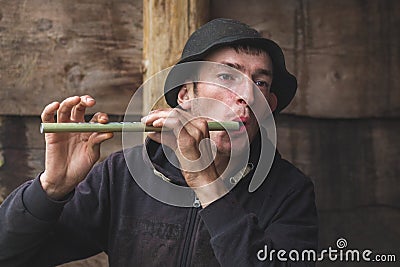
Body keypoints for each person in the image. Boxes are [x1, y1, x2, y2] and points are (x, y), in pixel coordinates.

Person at [0, 18, 318, 266]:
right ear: (184, 95)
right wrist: (50, 189)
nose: (247, 96)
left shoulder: (289, 191)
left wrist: (205, 182)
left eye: (260, 83)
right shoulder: (121, 176)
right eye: (226, 76)